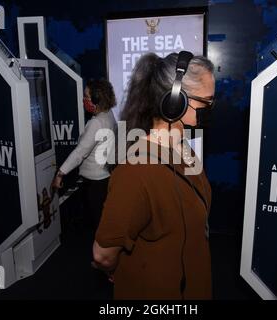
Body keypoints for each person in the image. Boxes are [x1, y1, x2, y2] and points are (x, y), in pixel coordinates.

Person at [92, 52, 215, 299]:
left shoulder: (184, 149)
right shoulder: (135, 172)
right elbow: (102, 255)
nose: (211, 108)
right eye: (207, 102)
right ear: (176, 101)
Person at [52, 79, 117, 233]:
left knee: (97, 224)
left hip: (95, 183)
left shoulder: (96, 123)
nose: (84, 100)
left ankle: (100, 256)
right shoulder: (109, 114)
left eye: (86, 96)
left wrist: (60, 173)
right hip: (105, 177)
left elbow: (80, 152)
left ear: (96, 99)